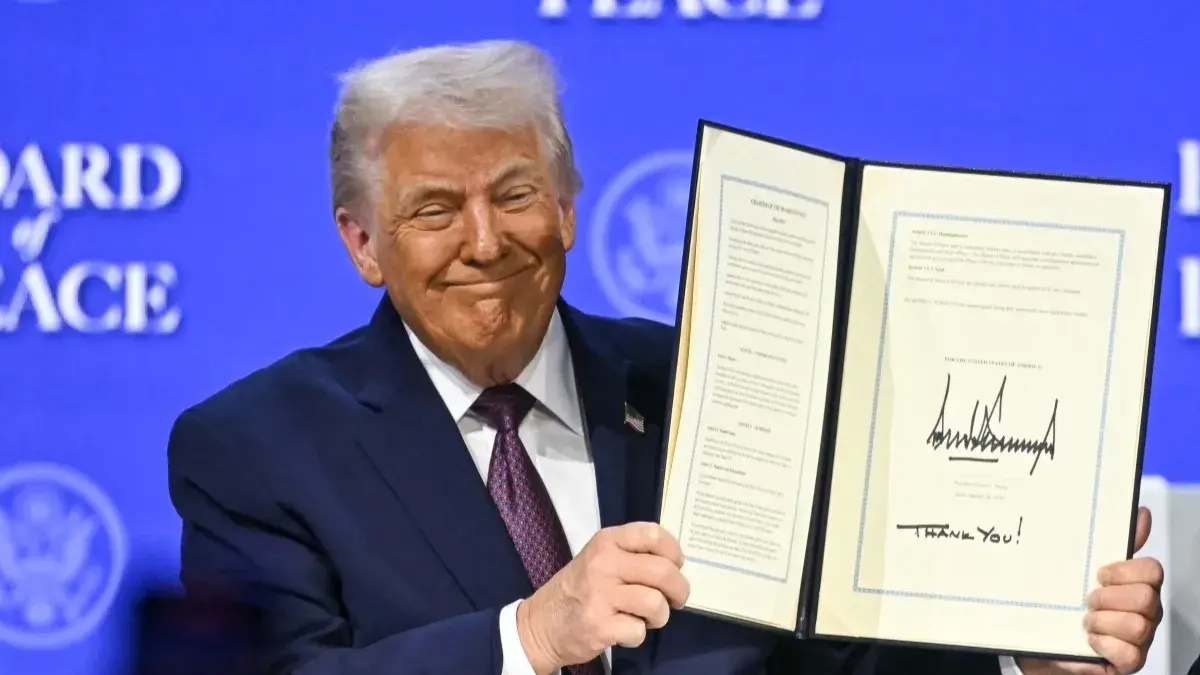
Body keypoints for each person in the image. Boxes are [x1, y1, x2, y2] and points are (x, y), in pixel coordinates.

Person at [167, 40, 1165, 675]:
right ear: (362, 243)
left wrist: (1026, 656)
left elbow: (847, 657)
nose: (484, 240)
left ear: (568, 209)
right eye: (433, 209)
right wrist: (530, 635)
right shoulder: (256, 447)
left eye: (515, 194)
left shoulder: (714, 388)